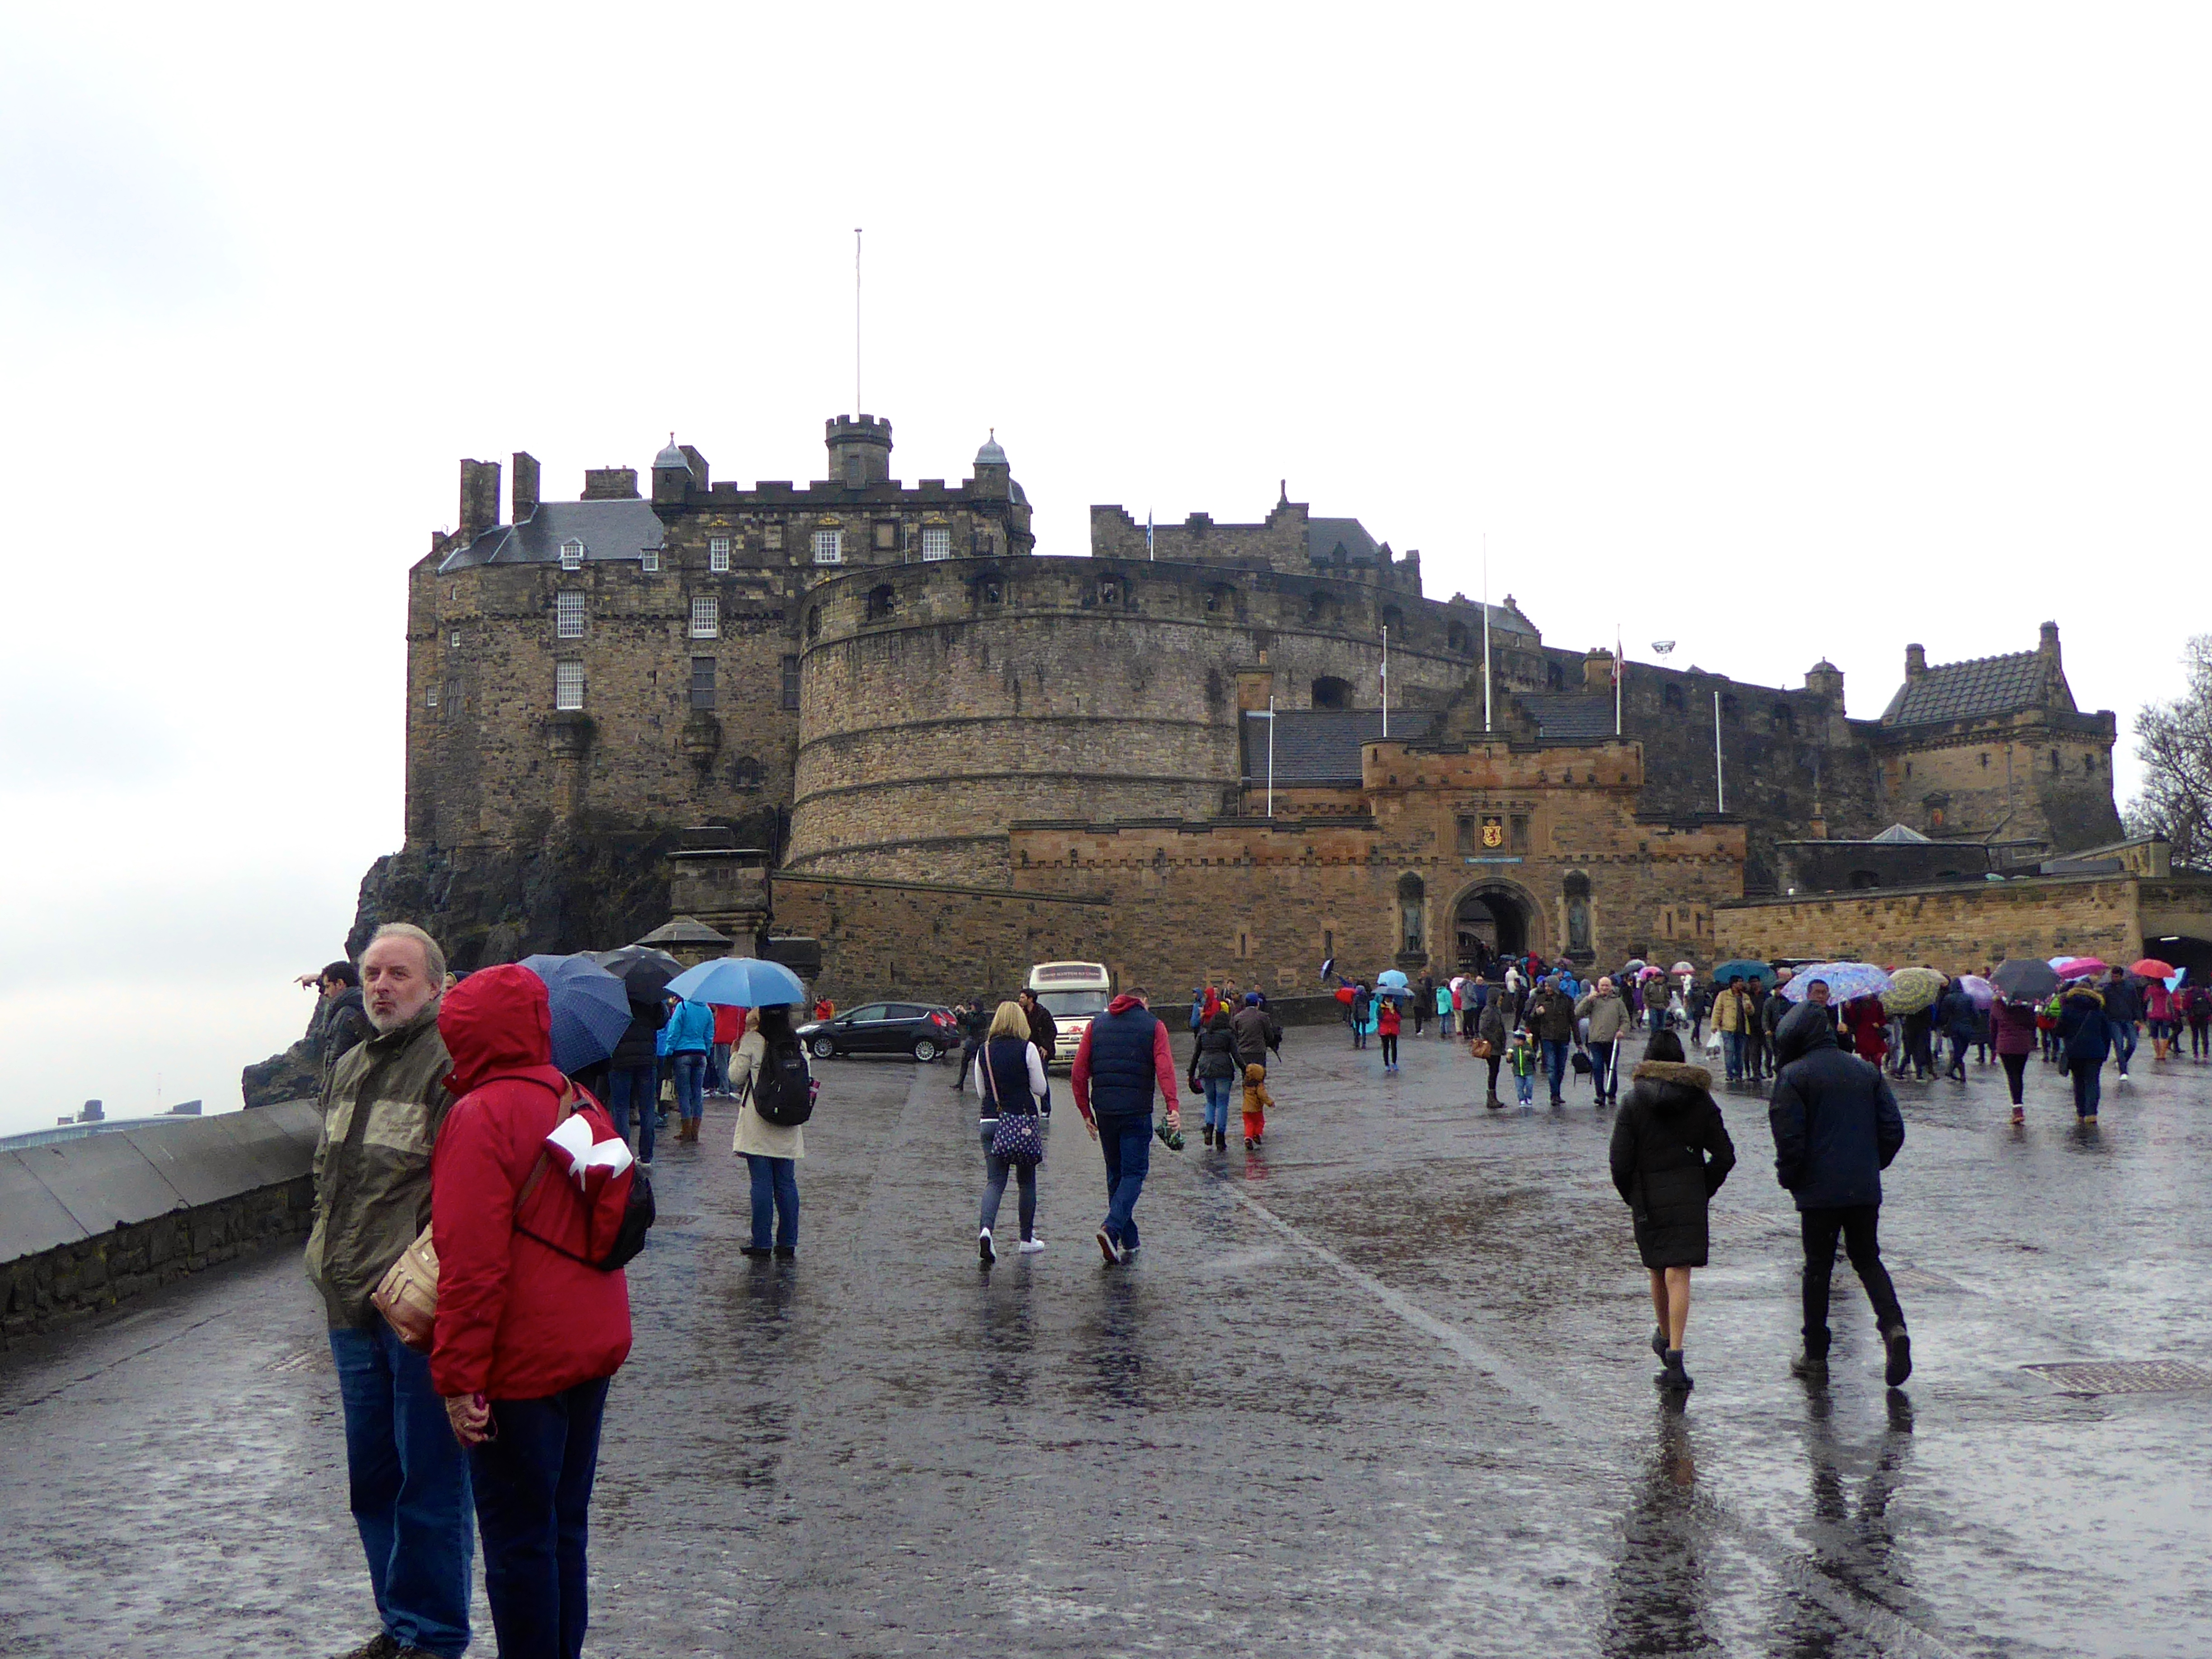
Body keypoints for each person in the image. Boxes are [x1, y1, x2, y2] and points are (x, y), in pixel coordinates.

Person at [429, 964, 632, 1659]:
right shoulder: (578, 1097)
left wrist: (458, 1381)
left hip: (523, 1362)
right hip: (591, 1344)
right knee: (564, 1531)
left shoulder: (477, 1115)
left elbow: (471, 1268)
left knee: (518, 1545)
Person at [305, 923, 475, 1659]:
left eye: (399, 973)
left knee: (428, 1484)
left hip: (414, 1310)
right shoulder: (349, 1064)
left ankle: (434, 1636)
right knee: (372, 1480)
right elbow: (331, 1179)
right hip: (347, 1303)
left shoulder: (449, 1063)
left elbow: (462, 1190)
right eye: (373, 971)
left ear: (435, 986)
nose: (381, 984)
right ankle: (401, 1623)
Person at [1767, 1002, 1911, 1388]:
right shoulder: (1865, 1071)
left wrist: (1791, 1178)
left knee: (1817, 1268)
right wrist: (1869, 1165)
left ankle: (1815, 1355)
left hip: (1818, 1192)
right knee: (1867, 1259)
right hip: (1863, 1187)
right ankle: (1894, 1327)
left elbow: (1789, 1138)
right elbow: (1893, 1130)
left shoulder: (1794, 1076)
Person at [1609, 1030, 1735, 1393]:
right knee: (1679, 1273)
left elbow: (1620, 1162)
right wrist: (1702, 1187)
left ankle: (1664, 1340)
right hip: (1688, 1195)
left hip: (1648, 1198)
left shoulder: (1634, 1102)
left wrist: (1633, 1196)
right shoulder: (1700, 1100)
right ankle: (1676, 1356)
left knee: (1657, 1269)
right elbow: (1725, 1155)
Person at [1069, 985, 1181, 1265]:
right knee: (1133, 1174)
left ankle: (1128, 1241)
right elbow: (1165, 1068)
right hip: (1136, 1110)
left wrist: (1085, 1111)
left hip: (1105, 1110)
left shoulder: (1097, 1025)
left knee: (1115, 1175)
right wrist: (1173, 1106)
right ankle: (1111, 1227)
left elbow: (1078, 1071)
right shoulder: (1154, 1026)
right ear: (1143, 1002)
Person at [973, 1000, 1048, 1262]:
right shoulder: (1027, 1049)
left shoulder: (984, 1051)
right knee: (1026, 1182)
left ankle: (986, 1231)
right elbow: (1040, 1089)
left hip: (990, 1122)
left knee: (995, 1182)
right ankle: (1026, 1239)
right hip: (1022, 1123)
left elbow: (982, 1092)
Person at [729, 1006, 807, 1256]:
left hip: (759, 1121)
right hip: (788, 1120)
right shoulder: (798, 1042)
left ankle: (761, 1242)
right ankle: (788, 1242)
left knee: (761, 1183)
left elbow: (735, 1077)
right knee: (786, 1183)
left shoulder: (754, 1039)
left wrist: (735, 1053)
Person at [603, 994, 665, 1168]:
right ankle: (646, 1157)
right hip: (647, 1059)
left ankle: (621, 1155)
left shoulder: (615, 996)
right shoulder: (651, 995)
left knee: (621, 1108)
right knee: (647, 1108)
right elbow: (662, 1022)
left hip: (620, 1058)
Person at [308, 960, 373, 1099]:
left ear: (340, 984)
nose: (325, 993)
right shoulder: (361, 1005)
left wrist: (326, 1094)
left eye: (328, 987)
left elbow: (338, 1058)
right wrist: (315, 978)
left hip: (346, 1094)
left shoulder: (346, 1014)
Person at [662, 994, 713, 1143]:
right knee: (698, 1093)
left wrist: (669, 1050)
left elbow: (674, 1031)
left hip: (683, 1054)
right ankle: (695, 1132)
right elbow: (709, 1035)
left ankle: (686, 1130)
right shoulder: (707, 1010)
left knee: (684, 1093)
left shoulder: (682, 1007)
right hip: (701, 1054)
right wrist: (707, 1050)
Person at [2057, 980, 2110, 1124]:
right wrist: (2105, 1052)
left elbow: (2059, 1032)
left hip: (2075, 1051)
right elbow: (2107, 1033)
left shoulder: (2067, 1009)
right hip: (2095, 1051)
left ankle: (2081, 1113)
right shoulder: (2098, 1010)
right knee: (2093, 1081)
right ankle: (2092, 1113)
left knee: (2078, 1081)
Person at [1188, 1005, 1238, 1149]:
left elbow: (1195, 1056)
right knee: (1222, 1104)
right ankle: (1220, 1137)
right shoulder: (1228, 1035)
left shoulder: (1203, 1034)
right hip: (1224, 1071)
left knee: (1210, 1102)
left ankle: (1209, 1129)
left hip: (1206, 1070)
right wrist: (1246, 1069)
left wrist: (1191, 1075)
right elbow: (1236, 1055)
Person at [1577, 976, 1630, 1106]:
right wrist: (1587, 1000)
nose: (1605, 988)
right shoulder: (1593, 1001)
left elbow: (1625, 1020)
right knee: (1597, 1067)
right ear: (1598, 987)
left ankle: (1612, 1094)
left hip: (1612, 1041)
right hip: (1595, 1040)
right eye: (1602, 986)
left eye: (1607, 986)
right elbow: (1578, 1013)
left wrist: (1622, 1031)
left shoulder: (1618, 1002)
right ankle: (1600, 1095)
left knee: (1611, 1068)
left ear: (1611, 987)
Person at [1988, 991, 2038, 1125]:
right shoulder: (2027, 1006)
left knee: (2012, 1076)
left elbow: (1993, 1027)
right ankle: (2018, 1107)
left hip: (2005, 1045)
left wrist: (1994, 1046)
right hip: (2023, 1045)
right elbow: (2033, 1024)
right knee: (2019, 1075)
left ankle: (2017, 1109)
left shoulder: (1998, 1005)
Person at [1528, 975, 1577, 1106]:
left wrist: (1578, 1041)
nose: (1547, 989)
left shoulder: (1567, 1000)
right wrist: (1537, 1013)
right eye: (1546, 986)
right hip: (1547, 1038)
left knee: (1560, 1068)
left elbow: (1573, 1020)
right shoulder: (1541, 999)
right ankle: (1554, 1095)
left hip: (1563, 1037)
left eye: (1549, 986)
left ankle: (1558, 1092)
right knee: (1551, 1067)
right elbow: (1530, 1019)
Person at [1018, 988, 1058, 1114]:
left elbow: (1053, 1031)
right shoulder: (1021, 1013)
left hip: (1040, 1050)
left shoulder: (1043, 1013)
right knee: (1024, 1079)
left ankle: (1046, 1108)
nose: (1020, 1000)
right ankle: (1026, 1108)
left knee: (1042, 1079)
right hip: (1026, 1048)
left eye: (1023, 998)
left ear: (1030, 999)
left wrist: (1045, 1046)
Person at [2101, 967, 2142, 1079]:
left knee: (2133, 1044)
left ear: (2121, 976)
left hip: (2128, 1019)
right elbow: (2104, 1007)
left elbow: (2135, 1004)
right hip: (2113, 1021)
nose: (2114, 979)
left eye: (2117, 977)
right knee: (2118, 1045)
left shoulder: (2130, 987)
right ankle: (2123, 1071)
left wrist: (2138, 1018)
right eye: (2113, 976)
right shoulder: (2107, 989)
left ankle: (2122, 1060)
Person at [1713, 976, 1751, 1084]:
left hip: (1742, 1028)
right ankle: (1730, 1074)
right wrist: (1714, 1025)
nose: (1741, 984)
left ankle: (1739, 1074)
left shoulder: (1745, 996)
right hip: (1728, 1028)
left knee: (1740, 1052)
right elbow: (1718, 1010)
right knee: (1730, 1051)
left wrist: (1748, 1007)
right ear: (1733, 984)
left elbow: (1751, 1012)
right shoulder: (1724, 995)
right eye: (1739, 982)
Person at [1936, 981, 1977, 1083]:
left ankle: (1959, 1074)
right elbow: (1976, 1015)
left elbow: (1943, 1016)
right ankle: (1954, 1071)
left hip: (1954, 1028)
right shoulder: (1969, 998)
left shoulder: (1948, 998)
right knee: (1962, 1051)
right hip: (1967, 1029)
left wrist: (1943, 1026)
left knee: (1958, 1051)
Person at [1476, 990, 1510, 1109]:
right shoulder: (1489, 1011)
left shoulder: (1496, 1010)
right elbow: (1483, 1029)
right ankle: (1491, 1098)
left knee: (1495, 1071)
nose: (1501, 1002)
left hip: (1497, 1046)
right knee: (1493, 1071)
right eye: (1500, 1000)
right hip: (1492, 1047)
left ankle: (1493, 1097)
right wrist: (1495, 1041)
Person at [952, 998, 991, 1092]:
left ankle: (986, 1085)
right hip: (971, 1041)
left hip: (978, 1041)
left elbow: (974, 1022)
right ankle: (960, 1083)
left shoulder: (982, 1016)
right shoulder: (972, 1015)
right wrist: (959, 1014)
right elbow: (964, 1022)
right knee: (964, 1062)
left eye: (973, 1005)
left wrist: (965, 1013)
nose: (971, 1007)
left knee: (981, 1065)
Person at [709, 1003, 745, 1097]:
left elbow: (710, 1003)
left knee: (721, 1064)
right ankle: (733, 1088)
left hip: (723, 1036)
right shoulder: (741, 1006)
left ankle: (724, 1089)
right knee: (733, 1063)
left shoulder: (724, 1003)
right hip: (736, 1039)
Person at [1241, 1061, 1274, 1150]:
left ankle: (1248, 1138)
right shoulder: (1259, 1086)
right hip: (1256, 1110)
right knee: (1260, 1122)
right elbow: (1263, 1096)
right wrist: (1270, 1102)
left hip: (1246, 1110)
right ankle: (1257, 1134)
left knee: (1248, 1124)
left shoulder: (1245, 1085)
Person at [1506, 1024, 1537, 1109]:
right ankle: (1522, 1100)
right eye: (1515, 1040)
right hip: (1517, 1072)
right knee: (1519, 1088)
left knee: (1529, 1086)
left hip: (1528, 1071)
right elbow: (1510, 1061)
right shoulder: (1513, 1049)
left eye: (1518, 1040)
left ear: (1523, 1040)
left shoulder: (1528, 1048)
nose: (1516, 1042)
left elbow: (1534, 1058)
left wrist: (1529, 1055)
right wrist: (1509, 1058)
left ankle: (1529, 1098)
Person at [2185, 982, 2212, 1061]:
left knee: (2195, 1035)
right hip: (2205, 1017)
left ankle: (2196, 1054)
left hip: (2193, 1018)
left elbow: (2185, 1006)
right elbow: (2210, 1003)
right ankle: (2205, 1054)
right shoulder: (2204, 992)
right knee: (2205, 1035)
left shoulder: (2189, 994)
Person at [1377, 994, 1402, 1073]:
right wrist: (1386, 1014)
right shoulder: (1381, 1006)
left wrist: (1394, 1014)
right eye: (1388, 998)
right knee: (1386, 1047)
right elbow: (1380, 1017)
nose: (1389, 999)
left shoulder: (1395, 1006)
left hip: (1394, 1029)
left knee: (1394, 1046)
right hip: (1384, 1029)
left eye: (1390, 998)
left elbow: (1399, 1018)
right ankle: (1387, 1064)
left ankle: (1394, 1063)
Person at [1350, 982, 1373, 1049]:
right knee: (1364, 1029)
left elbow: (1354, 1007)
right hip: (1365, 1014)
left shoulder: (1356, 997)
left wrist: (1353, 1014)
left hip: (1357, 1014)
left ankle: (1357, 1043)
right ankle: (1364, 1043)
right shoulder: (1366, 997)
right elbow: (1368, 1006)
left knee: (1357, 1029)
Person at [1414, 972, 1433, 1036]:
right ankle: (1419, 1029)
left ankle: (1417, 1029)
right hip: (1421, 1004)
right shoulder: (1422, 988)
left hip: (1415, 1004)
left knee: (1417, 1018)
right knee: (1420, 1018)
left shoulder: (1415, 987)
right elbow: (1426, 995)